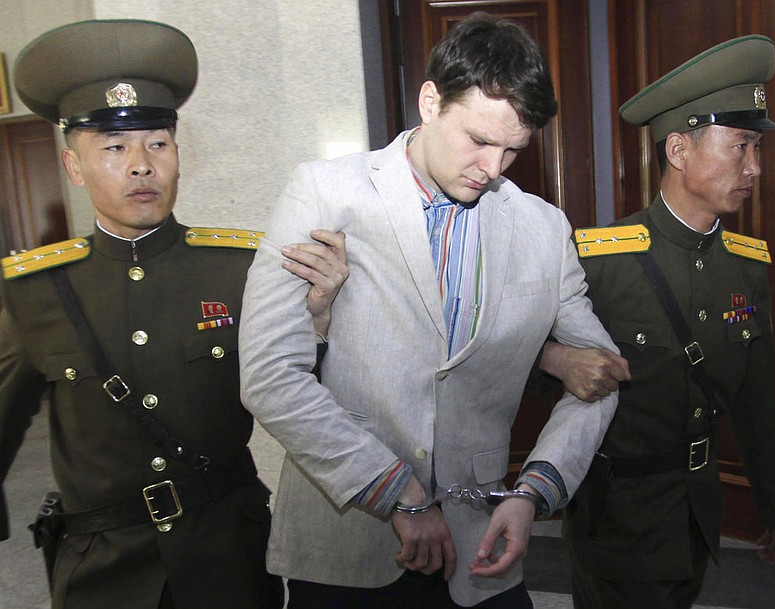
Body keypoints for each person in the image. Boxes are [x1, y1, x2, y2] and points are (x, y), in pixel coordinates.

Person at [238, 12, 627, 609]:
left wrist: (532, 493)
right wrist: (398, 492)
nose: (493, 170)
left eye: (512, 150)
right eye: (478, 140)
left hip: (481, 548)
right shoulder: (326, 192)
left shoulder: (543, 229)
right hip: (347, 541)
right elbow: (269, 373)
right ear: (429, 102)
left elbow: (602, 373)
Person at [0, 19, 349, 609]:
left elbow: (304, 396)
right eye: (114, 148)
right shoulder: (34, 291)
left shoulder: (240, 268)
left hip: (227, 558)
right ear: (74, 168)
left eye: (157, 143)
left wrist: (318, 322)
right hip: (101, 575)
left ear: (178, 156)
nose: (141, 165)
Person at [539, 35, 775, 609]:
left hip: (697, 514)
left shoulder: (746, 265)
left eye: (757, 148)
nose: (755, 167)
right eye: (741, 146)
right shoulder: (599, 260)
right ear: (679, 151)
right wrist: (555, 360)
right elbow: (517, 361)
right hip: (616, 519)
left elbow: (758, 399)